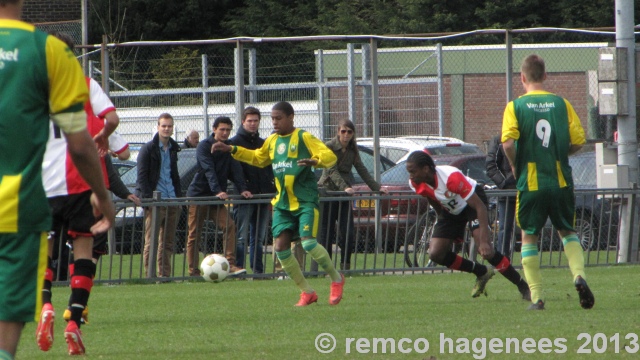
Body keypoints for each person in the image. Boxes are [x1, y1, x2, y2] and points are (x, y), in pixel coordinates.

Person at [0, 1, 114, 357]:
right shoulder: (49, 53)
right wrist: (103, 193)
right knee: (77, 252)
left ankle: (47, 305)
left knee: (46, 255)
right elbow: (86, 138)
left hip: (41, 190)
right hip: (25, 197)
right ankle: (72, 317)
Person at [212, 101, 345, 306]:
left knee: (309, 243)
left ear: (291, 117)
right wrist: (231, 148)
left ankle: (336, 279)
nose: (274, 122)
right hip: (282, 203)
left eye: (278, 118)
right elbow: (258, 158)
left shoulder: (303, 137)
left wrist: (316, 160)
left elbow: (329, 156)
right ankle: (307, 292)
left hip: (305, 200)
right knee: (281, 248)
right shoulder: (272, 140)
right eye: (272, 118)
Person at [502, 54, 594, 310]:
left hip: (531, 182)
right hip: (560, 180)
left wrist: (515, 164)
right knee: (568, 231)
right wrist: (558, 154)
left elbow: (507, 142)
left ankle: (537, 297)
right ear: (545, 76)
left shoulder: (515, 106)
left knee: (529, 236)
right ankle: (578, 276)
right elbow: (578, 141)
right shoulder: (561, 104)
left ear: (522, 78)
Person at [405, 151, 530, 300]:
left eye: (413, 171)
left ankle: (522, 286)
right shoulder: (415, 183)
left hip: (473, 205)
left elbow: (479, 207)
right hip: (451, 210)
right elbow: (431, 197)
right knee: (436, 253)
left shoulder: (450, 178)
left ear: (426, 169)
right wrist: (448, 229)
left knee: (487, 252)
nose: (410, 176)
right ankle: (481, 271)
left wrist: (484, 241)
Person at [317, 119, 387, 270]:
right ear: (338, 132)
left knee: (347, 233)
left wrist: (377, 187)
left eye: (349, 132)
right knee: (326, 234)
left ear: (353, 134)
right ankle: (327, 268)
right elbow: (331, 170)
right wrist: (344, 187)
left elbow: (361, 169)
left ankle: (345, 266)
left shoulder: (352, 149)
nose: (346, 135)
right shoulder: (328, 147)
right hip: (328, 193)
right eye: (343, 131)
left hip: (344, 195)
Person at [186, 116, 251, 276]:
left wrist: (243, 188)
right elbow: (208, 169)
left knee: (229, 226)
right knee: (194, 234)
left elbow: (235, 170)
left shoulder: (229, 147)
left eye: (228, 130)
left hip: (216, 199)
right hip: (199, 196)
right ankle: (193, 271)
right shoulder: (203, 146)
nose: (225, 133)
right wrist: (217, 190)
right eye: (222, 129)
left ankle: (230, 264)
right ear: (214, 129)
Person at [229, 107, 277, 274]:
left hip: (263, 195)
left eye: (255, 121)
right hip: (243, 197)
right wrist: (243, 188)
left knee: (258, 238)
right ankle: (240, 269)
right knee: (241, 237)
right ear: (243, 121)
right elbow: (235, 170)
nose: (253, 124)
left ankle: (258, 271)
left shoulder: (263, 143)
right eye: (249, 120)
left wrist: (272, 189)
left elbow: (268, 168)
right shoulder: (234, 143)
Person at [136, 113, 182, 278]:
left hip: (172, 200)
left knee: (168, 242)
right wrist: (148, 200)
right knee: (151, 241)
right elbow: (141, 177)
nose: (166, 129)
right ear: (158, 127)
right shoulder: (147, 148)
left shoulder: (174, 148)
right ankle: (150, 276)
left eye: (169, 126)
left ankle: (165, 275)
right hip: (155, 200)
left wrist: (178, 197)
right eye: (163, 125)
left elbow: (174, 175)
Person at [485, 134, 516, 259]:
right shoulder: (498, 140)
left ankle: (528, 259)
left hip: (527, 189)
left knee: (530, 227)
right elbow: (491, 166)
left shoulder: (526, 136)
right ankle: (503, 260)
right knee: (504, 227)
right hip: (507, 192)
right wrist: (504, 183)